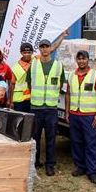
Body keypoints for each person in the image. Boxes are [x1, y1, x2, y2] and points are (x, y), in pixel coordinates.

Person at [65, 50, 96, 184]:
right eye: (79, 59)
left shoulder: (95, 75)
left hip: (89, 116)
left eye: (84, 59)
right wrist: (67, 112)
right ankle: (80, 167)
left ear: (88, 60)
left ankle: (92, 171)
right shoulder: (71, 75)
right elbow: (68, 94)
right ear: (76, 60)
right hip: (74, 114)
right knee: (76, 142)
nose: (81, 61)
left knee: (90, 144)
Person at [30, 38, 65, 176]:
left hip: (51, 108)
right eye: (42, 47)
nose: (44, 49)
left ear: (51, 48)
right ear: (39, 49)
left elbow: (60, 83)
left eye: (47, 46)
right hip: (36, 107)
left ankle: (50, 165)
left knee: (51, 138)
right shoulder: (33, 64)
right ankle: (35, 162)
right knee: (35, 137)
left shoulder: (58, 65)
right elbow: (29, 83)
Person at [10, 42, 34, 111]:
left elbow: (50, 50)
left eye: (29, 52)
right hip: (19, 100)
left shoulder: (36, 62)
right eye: (24, 52)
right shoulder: (15, 67)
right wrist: (11, 101)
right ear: (21, 53)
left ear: (32, 52)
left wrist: (62, 36)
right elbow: (12, 85)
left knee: (31, 120)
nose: (27, 54)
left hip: (32, 99)